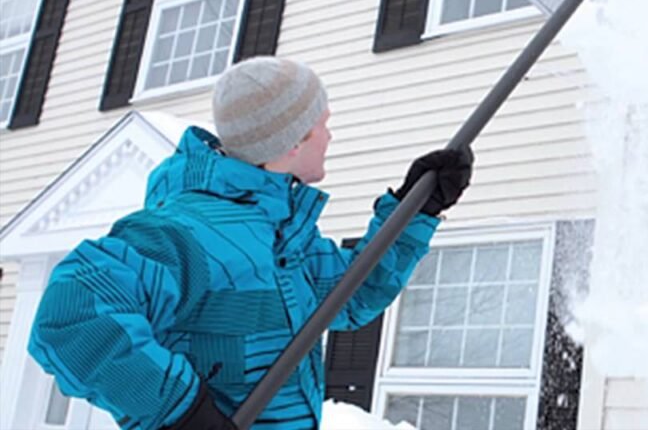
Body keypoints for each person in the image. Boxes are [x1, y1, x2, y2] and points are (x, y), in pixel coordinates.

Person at [28, 57, 473, 430]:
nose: (329, 136)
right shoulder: (187, 231)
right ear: (293, 140)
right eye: (323, 124)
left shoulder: (283, 235)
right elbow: (71, 315)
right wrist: (183, 412)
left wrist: (415, 210)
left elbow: (351, 297)